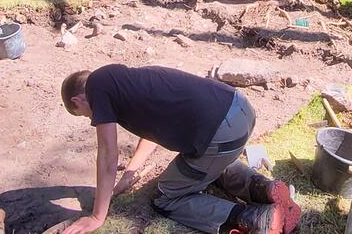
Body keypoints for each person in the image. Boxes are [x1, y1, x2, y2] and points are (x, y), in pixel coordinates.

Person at [60, 64, 301, 234]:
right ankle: (265, 189)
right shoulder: (124, 82)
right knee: (205, 164)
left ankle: (255, 219)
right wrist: (130, 174)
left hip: (220, 134)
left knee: (166, 197)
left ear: (77, 101)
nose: (92, 118)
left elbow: (107, 157)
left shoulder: (97, 87)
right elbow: (151, 135)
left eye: (84, 115)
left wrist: (96, 216)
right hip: (239, 112)